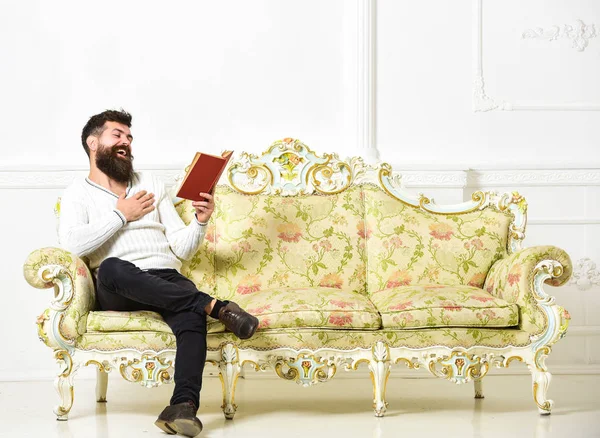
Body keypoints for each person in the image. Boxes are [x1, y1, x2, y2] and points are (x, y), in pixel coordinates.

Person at [58, 109, 258, 437]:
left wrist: (200, 221)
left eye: (129, 137)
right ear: (93, 143)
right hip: (118, 283)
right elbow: (72, 244)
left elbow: (180, 248)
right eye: (116, 135)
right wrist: (121, 214)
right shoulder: (77, 193)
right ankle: (217, 307)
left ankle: (182, 407)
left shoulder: (150, 182)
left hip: (166, 277)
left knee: (191, 316)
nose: (126, 142)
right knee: (111, 267)